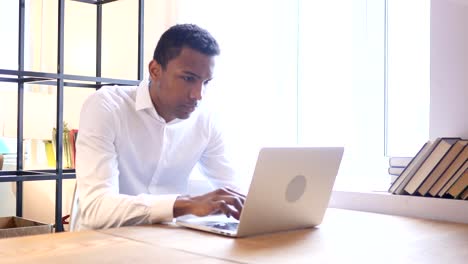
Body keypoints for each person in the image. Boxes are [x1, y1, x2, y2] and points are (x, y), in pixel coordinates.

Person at [72, 24, 245, 231]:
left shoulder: (206, 119)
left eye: (206, 82)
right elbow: (97, 209)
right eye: (188, 78)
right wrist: (187, 204)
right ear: (155, 70)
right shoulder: (106, 107)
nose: (198, 95)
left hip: (165, 243)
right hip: (101, 244)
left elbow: (234, 189)